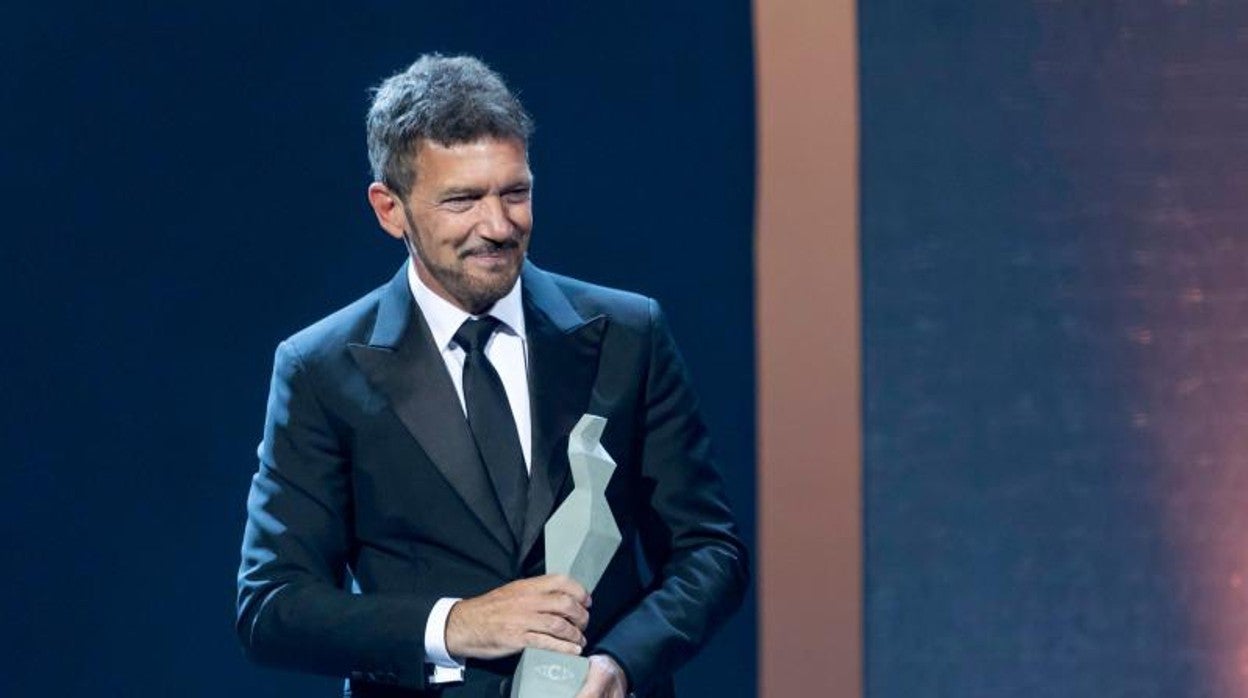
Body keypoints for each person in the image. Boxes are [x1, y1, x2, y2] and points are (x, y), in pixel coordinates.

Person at [236, 54, 748, 698]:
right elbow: (272, 607)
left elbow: (709, 553)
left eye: (515, 192)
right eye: (463, 200)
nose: (499, 226)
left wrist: (620, 665)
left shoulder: (628, 333)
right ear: (389, 210)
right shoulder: (321, 368)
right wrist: (455, 624)